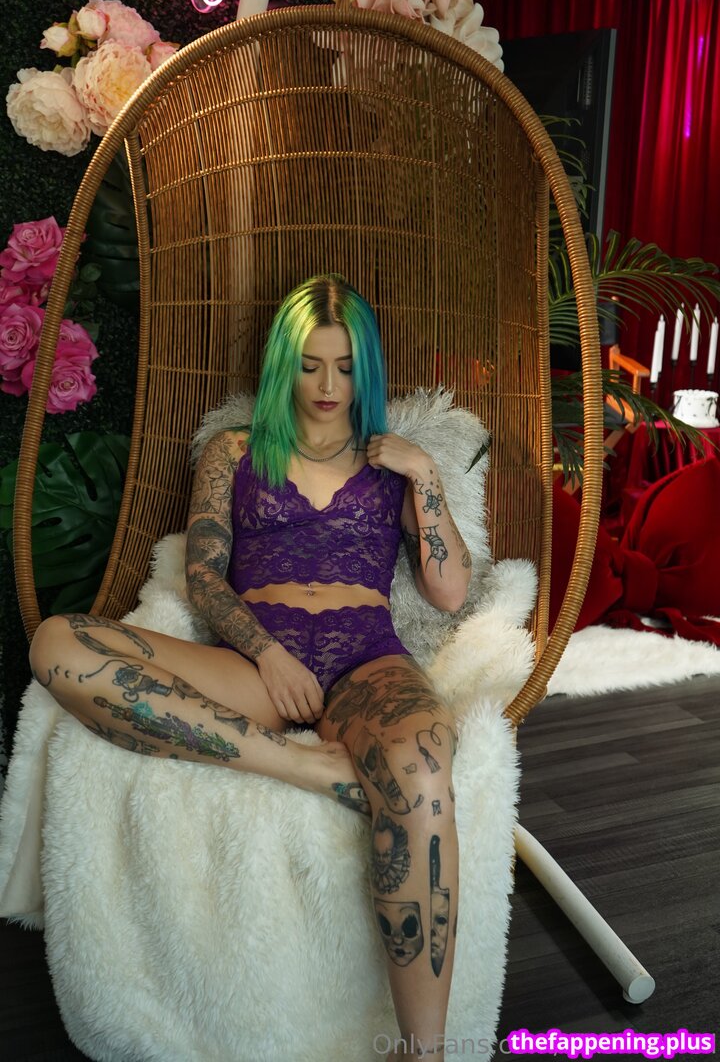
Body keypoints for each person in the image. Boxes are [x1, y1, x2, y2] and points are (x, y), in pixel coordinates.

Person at [28, 274, 472, 1061]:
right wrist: (265, 652)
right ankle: (305, 768)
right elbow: (203, 575)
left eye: (345, 367)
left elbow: (449, 591)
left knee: (425, 773)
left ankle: (424, 1052)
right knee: (57, 644)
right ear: (283, 366)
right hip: (254, 660)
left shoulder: (394, 465)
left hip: (366, 661)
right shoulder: (232, 451)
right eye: (310, 365)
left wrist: (427, 476)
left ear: (366, 370)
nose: (328, 385)